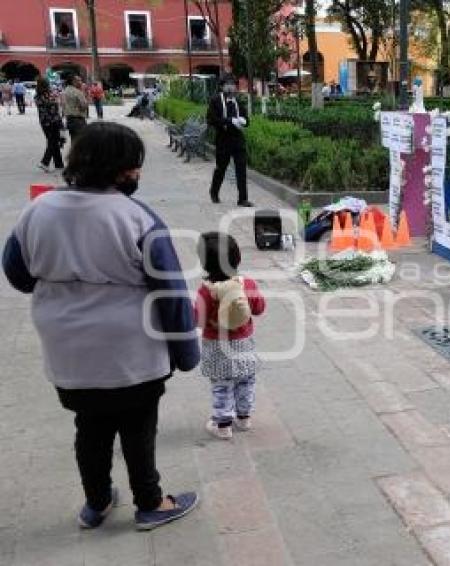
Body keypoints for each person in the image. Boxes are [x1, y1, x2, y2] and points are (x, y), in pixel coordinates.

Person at [2, 122, 200, 531]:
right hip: (132, 352)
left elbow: (18, 275)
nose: (138, 175)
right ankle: (150, 502)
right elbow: (171, 292)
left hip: (67, 350)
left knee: (89, 426)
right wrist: (185, 353)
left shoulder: (38, 210)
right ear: (117, 169)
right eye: (134, 167)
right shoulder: (137, 218)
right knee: (138, 428)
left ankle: (96, 502)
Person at [195, 232, 266, 440]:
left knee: (221, 385)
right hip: (244, 344)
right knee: (245, 381)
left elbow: (197, 320)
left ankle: (223, 425)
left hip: (217, 347)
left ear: (205, 264)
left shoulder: (205, 291)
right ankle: (244, 419)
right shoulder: (248, 284)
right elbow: (260, 308)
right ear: (238, 258)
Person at [207, 74, 252, 207]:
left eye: (233, 84)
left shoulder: (238, 101)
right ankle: (214, 191)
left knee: (241, 169)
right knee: (221, 168)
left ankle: (242, 199)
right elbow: (211, 120)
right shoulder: (215, 100)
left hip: (238, 140)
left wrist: (244, 121)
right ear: (222, 86)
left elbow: (246, 119)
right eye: (228, 84)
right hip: (223, 139)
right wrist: (230, 121)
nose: (231, 86)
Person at [34, 78, 65, 173]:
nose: (49, 85)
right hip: (51, 122)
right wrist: (57, 101)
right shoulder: (42, 96)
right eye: (48, 84)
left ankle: (59, 164)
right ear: (45, 85)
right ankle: (44, 162)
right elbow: (51, 105)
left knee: (54, 142)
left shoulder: (40, 95)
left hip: (46, 122)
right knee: (53, 142)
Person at [62, 75, 89, 142]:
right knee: (81, 142)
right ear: (73, 82)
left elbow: (62, 105)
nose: (81, 82)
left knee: (73, 140)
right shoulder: (78, 92)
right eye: (79, 80)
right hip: (78, 120)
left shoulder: (65, 91)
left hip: (69, 120)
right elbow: (84, 106)